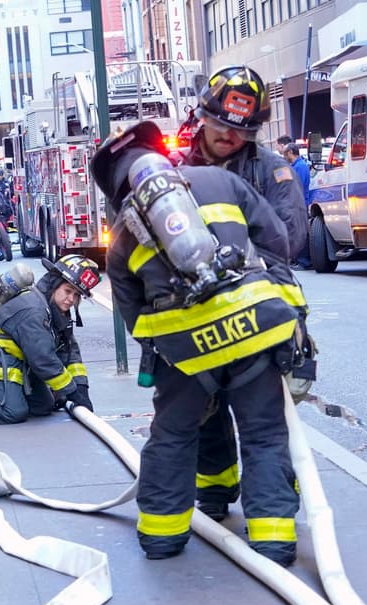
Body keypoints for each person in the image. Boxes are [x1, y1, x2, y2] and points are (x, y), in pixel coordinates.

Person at [91, 120, 307, 566]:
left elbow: (135, 318)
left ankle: (162, 536)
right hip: (255, 333)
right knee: (264, 433)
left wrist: (178, 354)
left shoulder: (122, 239)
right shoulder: (221, 180)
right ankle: (273, 540)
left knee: (173, 433)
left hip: (188, 356)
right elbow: (278, 243)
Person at [176, 65, 309, 523]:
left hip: (257, 313)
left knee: (263, 422)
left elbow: (289, 241)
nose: (230, 137)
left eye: (242, 130)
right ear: (202, 116)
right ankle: (214, 491)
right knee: (203, 411)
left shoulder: (273, 170)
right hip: (195, 313)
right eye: (222, 126)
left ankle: (272, 520)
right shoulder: (178, 170)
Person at [0, 255, 99, 424]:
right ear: (54, 284)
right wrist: (71, 391)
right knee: (14, 412)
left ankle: (2, 394)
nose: (71, 299)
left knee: (44, 406)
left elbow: (69, 351)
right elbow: (43, 359)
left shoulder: (56, 311)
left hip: (12, 363)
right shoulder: (34, 310)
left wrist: (81, 387)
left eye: (77, 295)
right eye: (68, 291)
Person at [282, 142, 312, 269]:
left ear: (290, 152)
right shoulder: (296, 166)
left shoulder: (299, 167)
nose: (283, 156)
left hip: (298, 204)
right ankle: (299, 260)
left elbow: (295, 186)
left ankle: (304, 261)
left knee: (301, 233)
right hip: (296, 204)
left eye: (284, 153)